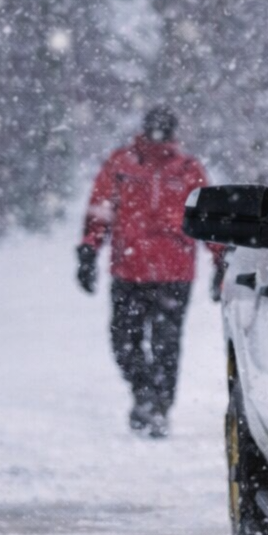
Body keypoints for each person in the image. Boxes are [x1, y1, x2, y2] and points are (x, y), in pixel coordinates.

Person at [76, 106, 224, 437]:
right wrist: (89, 249)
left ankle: (158, 406)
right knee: (124, 340)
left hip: (172, 274)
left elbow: (207, 217)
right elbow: (100, 210)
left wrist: (220, 259)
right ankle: (145, 392)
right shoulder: (122, 164)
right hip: (130, 271)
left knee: (165, 345)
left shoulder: (188, 170)